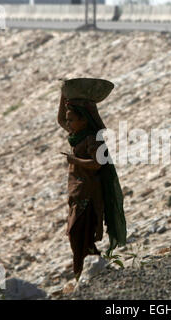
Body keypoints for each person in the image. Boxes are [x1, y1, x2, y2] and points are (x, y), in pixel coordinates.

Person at [57, 93, 126, 280]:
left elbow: (97, 163)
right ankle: (93, 273)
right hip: (77, 195)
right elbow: (61, 119)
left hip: (88, 194)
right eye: (68, 120)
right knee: (77, 237)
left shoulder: (92, 139)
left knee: (80, 237)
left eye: (72, 119)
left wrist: (75, 160)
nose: (68, 123)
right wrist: (64, 94)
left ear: (84, 120)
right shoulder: (76, 136)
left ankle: (88, 276)